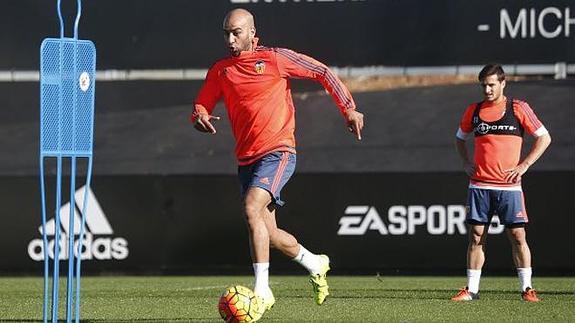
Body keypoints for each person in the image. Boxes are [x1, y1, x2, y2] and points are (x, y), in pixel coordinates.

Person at [191, 8, 364, 310]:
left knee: (250, 208)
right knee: (268, 233)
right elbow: (202, 103)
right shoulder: (221, 70)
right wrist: (200, 116)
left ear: (252, 34)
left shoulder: (274, 59)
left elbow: (322, 72)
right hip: (246, 160)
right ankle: (315, 262)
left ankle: (262, 292)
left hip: (278, 151)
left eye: (237, 32)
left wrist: (348, 108)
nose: (230, 39)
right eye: (226, 33)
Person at [451, 64, 551, 302]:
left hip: (509, 187)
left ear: (503, 83)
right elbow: (459, 138)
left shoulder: (518, 108)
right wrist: (465, 162)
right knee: (476, 236)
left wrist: (524, 165)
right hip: (480, 186)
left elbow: (544, 138)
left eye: (492, 84)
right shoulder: (473, 111)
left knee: (517, 236)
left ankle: (527, 289)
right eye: (483, 85)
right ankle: (471, 290)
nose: (487, 89)